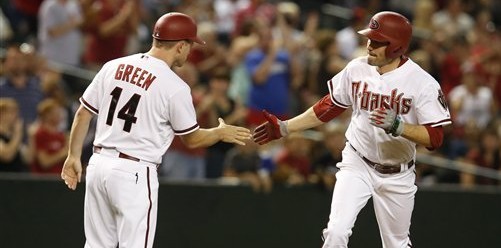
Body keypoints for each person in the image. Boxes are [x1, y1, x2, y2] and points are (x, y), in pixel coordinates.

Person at [252, 11, 452, 247]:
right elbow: (330, 106)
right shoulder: (357, 68)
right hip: (357, 161)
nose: (370, 45)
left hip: (398, 173)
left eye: (378, 42)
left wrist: (399, 126)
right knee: (336, 232)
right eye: (370, 38)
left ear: (397, 47)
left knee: (397, 244)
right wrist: (286, 127)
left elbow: (435, 137)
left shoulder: (422, 83)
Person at [61, 12, 251, 248]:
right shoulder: (174, 86)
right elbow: (192, 139)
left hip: (98, 164)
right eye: (190, 45)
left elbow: (83, 113)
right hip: (135, 170)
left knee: (97, 245)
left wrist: (73, 155)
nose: (190, 51)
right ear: (180, 46)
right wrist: (219, 133)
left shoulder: (114, 66)